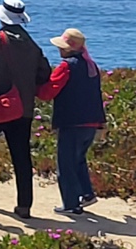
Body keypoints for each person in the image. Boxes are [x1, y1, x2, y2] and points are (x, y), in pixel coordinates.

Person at [0, 0, 51, 219]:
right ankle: (24, 206)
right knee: (22, 157)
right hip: (23, 109)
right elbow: (45, 73)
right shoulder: (32, 44)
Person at [37, 28, 106, 216]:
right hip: (91, 123)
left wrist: (33, 86)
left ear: (68, 49)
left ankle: (71, 205)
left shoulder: (66, 67)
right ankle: (86, 194)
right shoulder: (91, 66)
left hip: (72, 123)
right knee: (78, 160)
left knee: (66, 164)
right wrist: (102, 122)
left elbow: (48, 92)